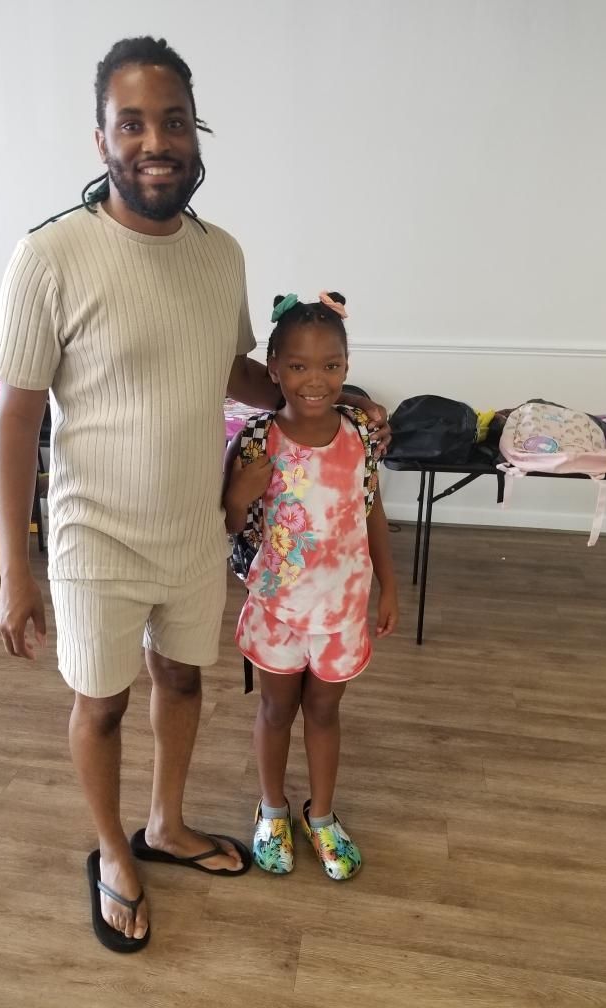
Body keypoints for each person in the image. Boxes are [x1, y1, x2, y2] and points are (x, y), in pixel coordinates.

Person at [0, 36, 391, 952]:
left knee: (182, 677)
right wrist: (17, 570)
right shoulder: (49, 256)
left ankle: (165, 825)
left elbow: (235, 371)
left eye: (172, 121)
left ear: (196, 131)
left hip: (193, 530)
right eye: (131, 123)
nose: (154, 141)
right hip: (95, 537)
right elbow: (15, 420)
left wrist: (331, 395)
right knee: (102, 702)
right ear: (101, 139)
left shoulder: (221, 256)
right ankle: (111, 853)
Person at [222, 292, 399, 881]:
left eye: (331, 365)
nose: (314, 379)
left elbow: (371, 510)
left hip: (343, 609)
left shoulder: (361, 437)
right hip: (277, 607)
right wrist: (242, 490)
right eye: (298, 366)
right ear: (273, 369)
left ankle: (319, 815)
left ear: (346, 368)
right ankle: (272, 809)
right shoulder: (255, 439)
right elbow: (228, 521)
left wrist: (389, 586)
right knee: (276, 710)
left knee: (324, 713)